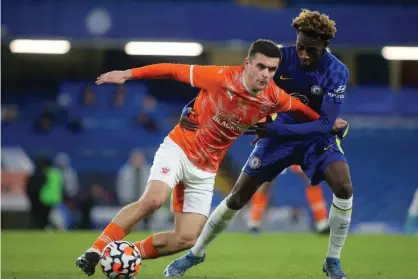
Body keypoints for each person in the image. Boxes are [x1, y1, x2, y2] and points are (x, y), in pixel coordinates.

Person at [75, 38, 327, 277]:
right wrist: (129, 74)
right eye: (260, 66)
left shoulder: (273, 97)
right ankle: (95, 251)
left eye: (271, 70)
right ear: (247, 63)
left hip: (206, 169)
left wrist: (329, 122)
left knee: (187, 238)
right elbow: (173, 70)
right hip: (180, 148)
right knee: (154, 200)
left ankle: (130, 253)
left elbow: (303, 111)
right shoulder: (221, 77)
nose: (265, 74)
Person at [165, 9, 352, 279]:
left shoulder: (337, 72)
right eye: (300, 47)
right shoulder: (279, 58)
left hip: (311, 137)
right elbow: (232, 85)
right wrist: (192, 106)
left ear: (324, 46)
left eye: (310, 50)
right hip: (276, 136)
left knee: (344, 186)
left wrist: (277, 128)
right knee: (237, 197)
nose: (303, 55)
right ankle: (195, 254)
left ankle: (332, 260)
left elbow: (325, 124)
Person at [248, 165, 330, 234]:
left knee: (311, 179)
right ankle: (254, 223)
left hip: (297, 148)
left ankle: (322, 222)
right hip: (277, 149)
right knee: (265, 182)